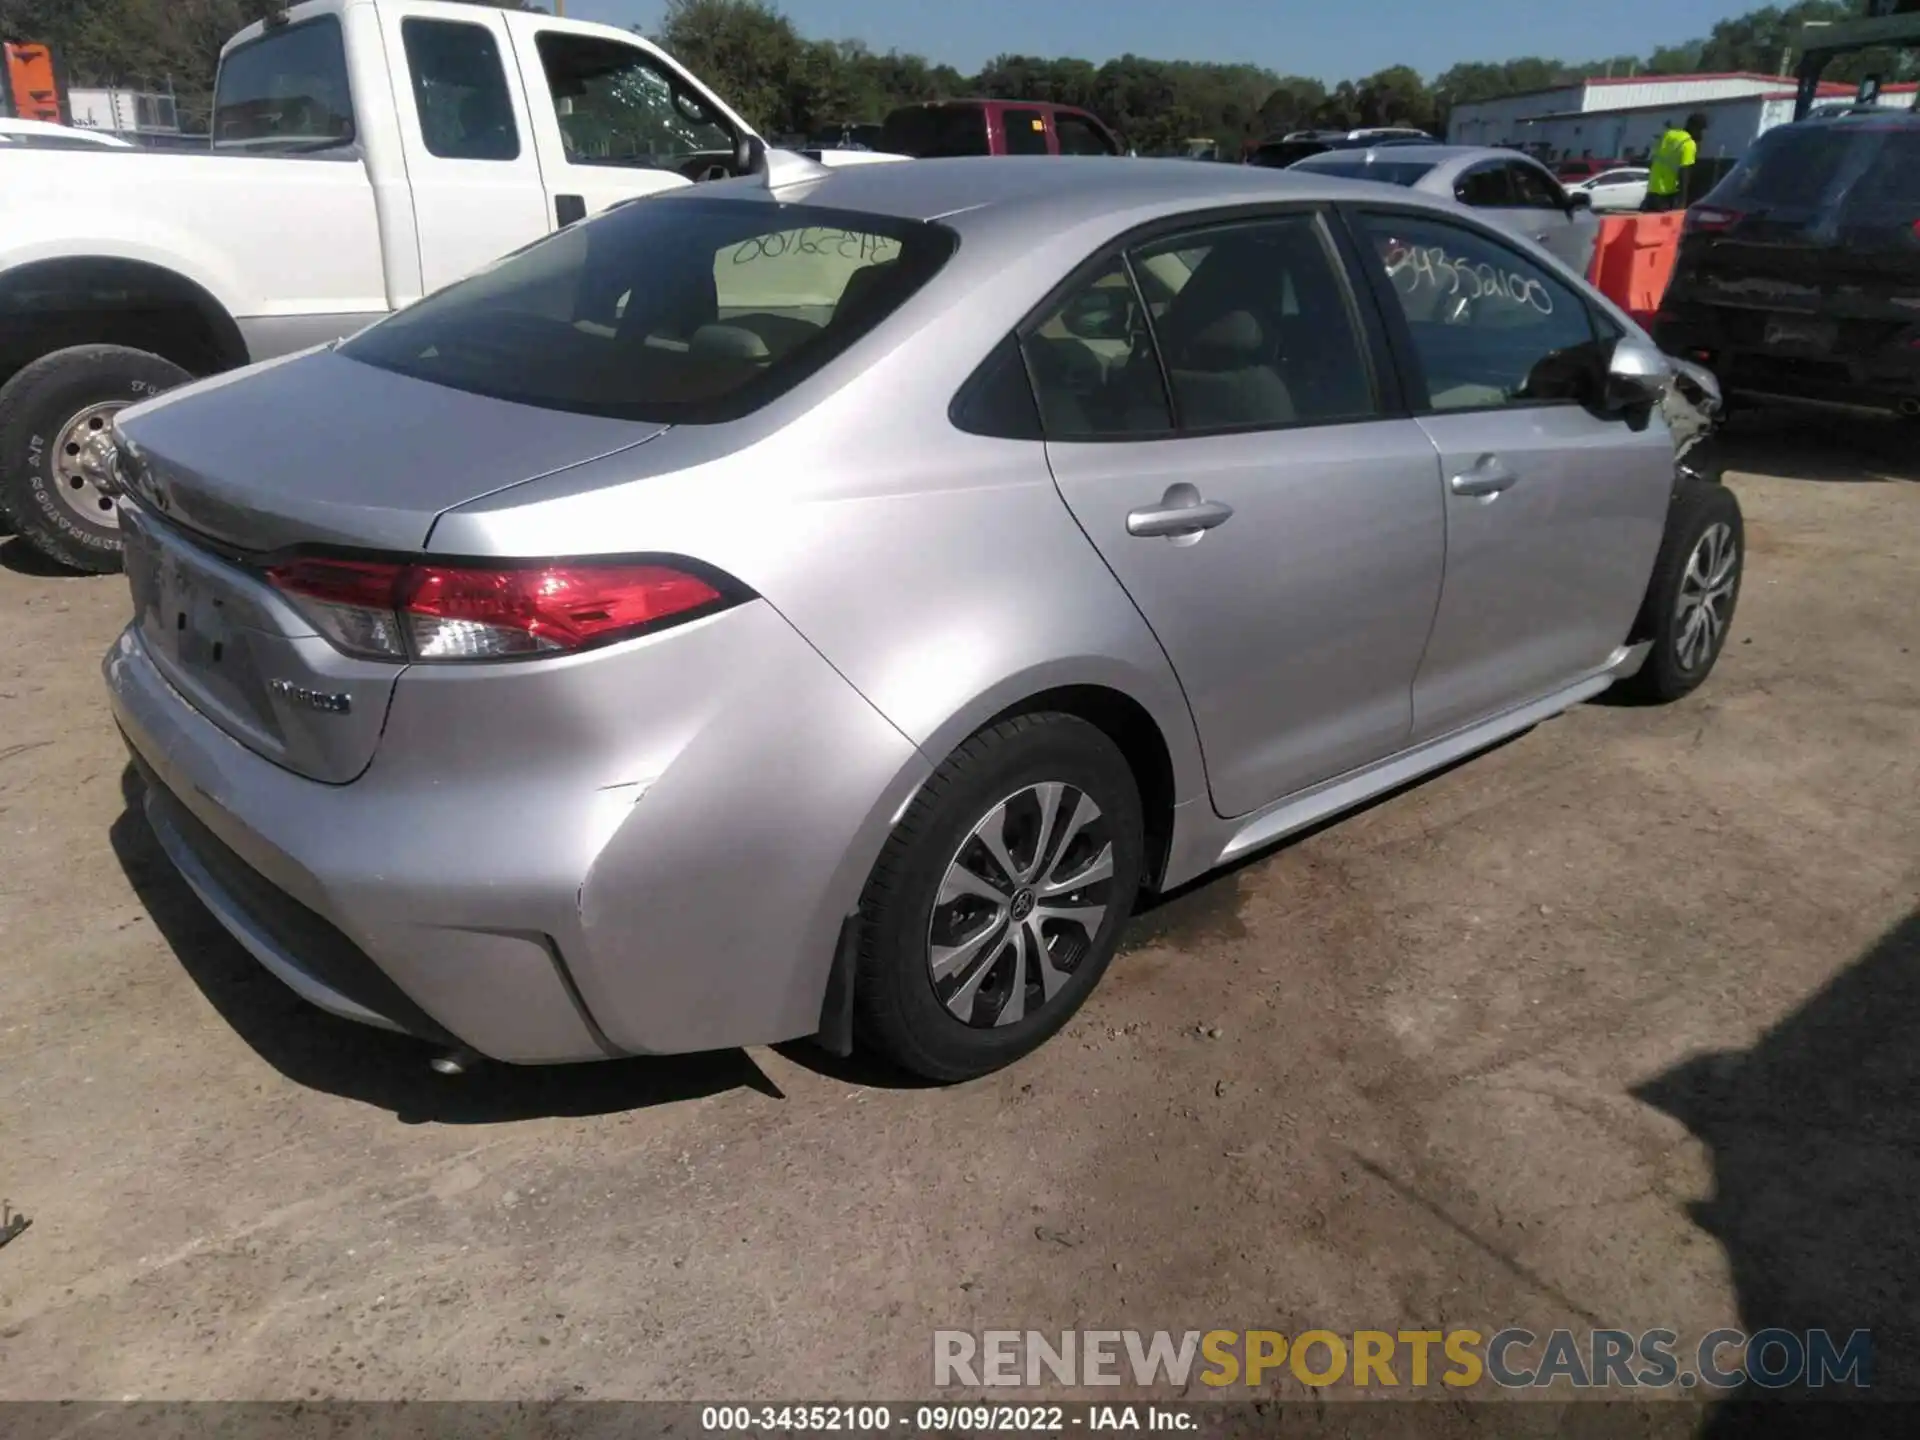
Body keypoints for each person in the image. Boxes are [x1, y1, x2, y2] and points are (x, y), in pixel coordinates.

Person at [1643, 113, 1707, 212]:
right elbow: (1684, 174)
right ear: (1694, 128)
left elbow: (1653, 156)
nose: (1701, 134)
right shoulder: (1688, 144)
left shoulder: (1668, 134)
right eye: (1700, 130)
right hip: (1667, 194)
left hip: (1651, 190)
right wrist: (1682, 203)